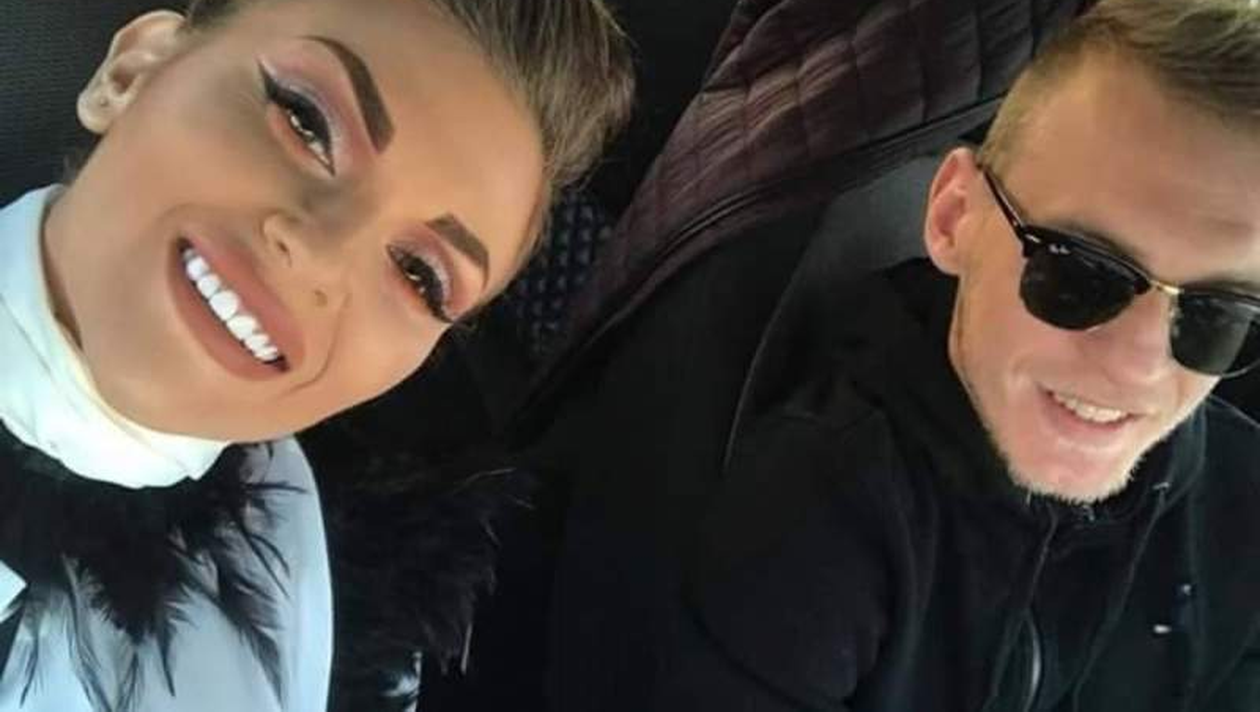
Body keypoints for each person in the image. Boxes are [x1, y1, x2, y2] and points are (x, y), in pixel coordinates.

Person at [490, 0, 1260, 709]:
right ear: (954, 217)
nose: (1138, 365)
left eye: (1219, 316)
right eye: (1078, 273)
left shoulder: (1240, 503)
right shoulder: (813, 525)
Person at [0, 0, 633, 710]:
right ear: (131, 71)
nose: (321, 256)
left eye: (419, 275)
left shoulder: (323, 612)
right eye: (305, 121)